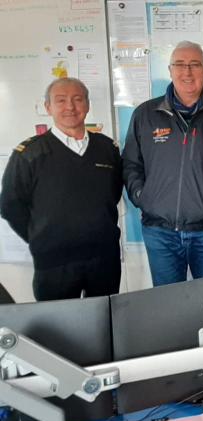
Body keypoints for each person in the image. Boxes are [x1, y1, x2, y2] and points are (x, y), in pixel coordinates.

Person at [122, 40, 203, 286]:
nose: (187, 71)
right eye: (180, 65)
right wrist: (143, 197)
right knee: (168, 309)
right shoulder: (145, 114)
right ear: (170, 71)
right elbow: (131, 163)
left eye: (195, 64)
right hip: (159, 232)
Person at [1, 77, 122, 301]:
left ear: (87, 105)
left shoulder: (107, 148)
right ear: (48, 107)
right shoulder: (29, 154)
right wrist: (41, 235)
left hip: (104, 258)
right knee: (60, 328)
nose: (70, 107)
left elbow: (112, 194)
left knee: (107, 323)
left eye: (77, 99)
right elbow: (10, 205)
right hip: (54, 263)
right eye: (61, 100)